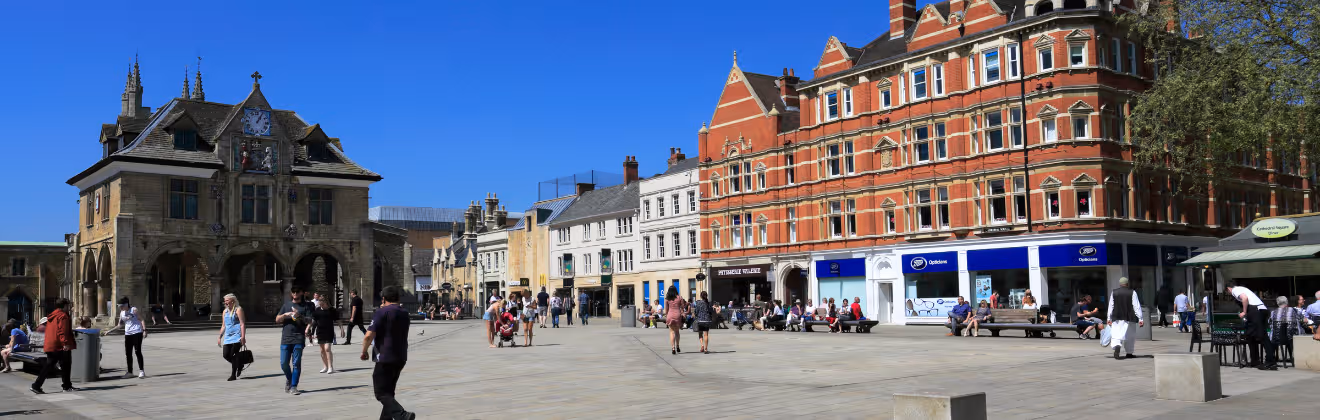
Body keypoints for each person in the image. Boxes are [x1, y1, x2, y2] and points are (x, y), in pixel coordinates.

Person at [360, 286, 416, 420]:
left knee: (381, 393)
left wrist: (364, 351)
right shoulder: (404, 312)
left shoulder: (382, 312)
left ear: (383, 298)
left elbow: (368, 336)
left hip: (385, 357)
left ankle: (402, 415)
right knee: (389, 393)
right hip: (401, 357)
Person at [31, 298, 76, 394]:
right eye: (68, 305)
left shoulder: (53, 315)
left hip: (51, 344)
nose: (69, 307)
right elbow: (62, 331)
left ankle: (37, 385)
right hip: (60, 345)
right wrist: (65, 343)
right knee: (66, 365)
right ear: (64, 306)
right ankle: (66, 386)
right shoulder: (63, 316)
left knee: (49, 365)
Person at [275, 286, 313, 395]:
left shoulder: (305, 306)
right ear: (291, 293)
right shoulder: (286, 305)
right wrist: (285, 315)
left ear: (301, 293)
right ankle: (289, 378)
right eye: (293, 292)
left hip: (298, 338)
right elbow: (277, 319)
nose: (295, 293)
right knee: (283, 364)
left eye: (297, 291)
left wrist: (299, 316)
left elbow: (309, 320)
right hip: (286, 338)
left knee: (296, 363)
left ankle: (294, 387)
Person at [101, 297, 147, 379]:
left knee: (137, 351)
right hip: (128, 334)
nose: (121, 308)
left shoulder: (134, 310)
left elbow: (142, 319)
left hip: (137, 332)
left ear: (126, 305)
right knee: (128, 353)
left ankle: (141, 371)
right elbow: (120, 325)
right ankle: (130, 372)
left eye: (122, 306)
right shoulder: (122, 313)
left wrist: (144, 330)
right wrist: (109, 331)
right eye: (119, 306)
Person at [1226, 282, 1269, 367]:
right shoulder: (1242, 289)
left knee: (1262, 336)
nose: (1229, 294)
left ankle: (1270, 360)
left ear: (1228, 289)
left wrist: (1244, 312)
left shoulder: (1235, 290)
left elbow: (1244, 298)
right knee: (1251, 335)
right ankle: (1255, 360)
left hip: (1256, 310)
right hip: (1261, 309)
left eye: (1227, 292)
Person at [1263, 296, 1306, 370]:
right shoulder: (1294, 310)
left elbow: (1269, 323)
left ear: (1277, 303)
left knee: (1272, 336)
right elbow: (1303, 319)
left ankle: (1271, 360)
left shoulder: (1273, 312)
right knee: (1297, 333)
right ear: (1287, 302)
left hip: (1276, 338)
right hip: (1291, 338)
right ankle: (1295, 358)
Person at [1107, 277, 1145, 360]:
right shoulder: (1132, 292)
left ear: (1120, 284)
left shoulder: (1114, 292)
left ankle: (1117, 346)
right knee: (1130, 336)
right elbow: (1136, 306)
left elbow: (1111, 306)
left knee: (1116, 334)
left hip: (1116, 317)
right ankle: (1129, 352)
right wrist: (1140, 318)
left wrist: (1108, 318)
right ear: (1127, 284)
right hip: (1129, 317)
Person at [217, 293, 247, 381]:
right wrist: (219, 337)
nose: (225, 302)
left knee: (233, 355)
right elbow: (223, 325)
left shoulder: (238, 310)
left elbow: (242, 324)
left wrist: (243, 337)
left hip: (237, 336)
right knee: (226, 355)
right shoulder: (225, 311)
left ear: (233, 300)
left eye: (227, 300)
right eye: (225, 300)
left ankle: (233, 375)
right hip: (228, 337)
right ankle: (240, 364)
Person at [312, 298, 339, 374]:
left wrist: (342, 329)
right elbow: (314, 321)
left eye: (322, 303)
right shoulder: (317, 310)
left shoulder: (332, 310)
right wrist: (311, 331)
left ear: (326, 302)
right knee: (322, 350)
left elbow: (338, 319)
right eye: (320, 303)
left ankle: (330, 367)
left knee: (327, 349)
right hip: (320, 331)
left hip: (329, 331)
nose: (320, 304)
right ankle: (325, 366)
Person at [664, 286, 689, 354]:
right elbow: (683, 307)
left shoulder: (667, 299)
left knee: (671, 332)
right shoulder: (679, 297)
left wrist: (667, 316)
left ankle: (673, 348)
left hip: (670, 315)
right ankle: (677, 346)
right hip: (677, 315)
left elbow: (666, 309)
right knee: (677, 332)